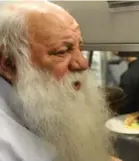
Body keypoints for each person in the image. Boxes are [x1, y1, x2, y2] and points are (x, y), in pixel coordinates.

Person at [0, 1, 121, 161]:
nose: (83, 63)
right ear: (9, 65)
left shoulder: (43, 100)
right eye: (62, 51)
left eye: (81, 47)